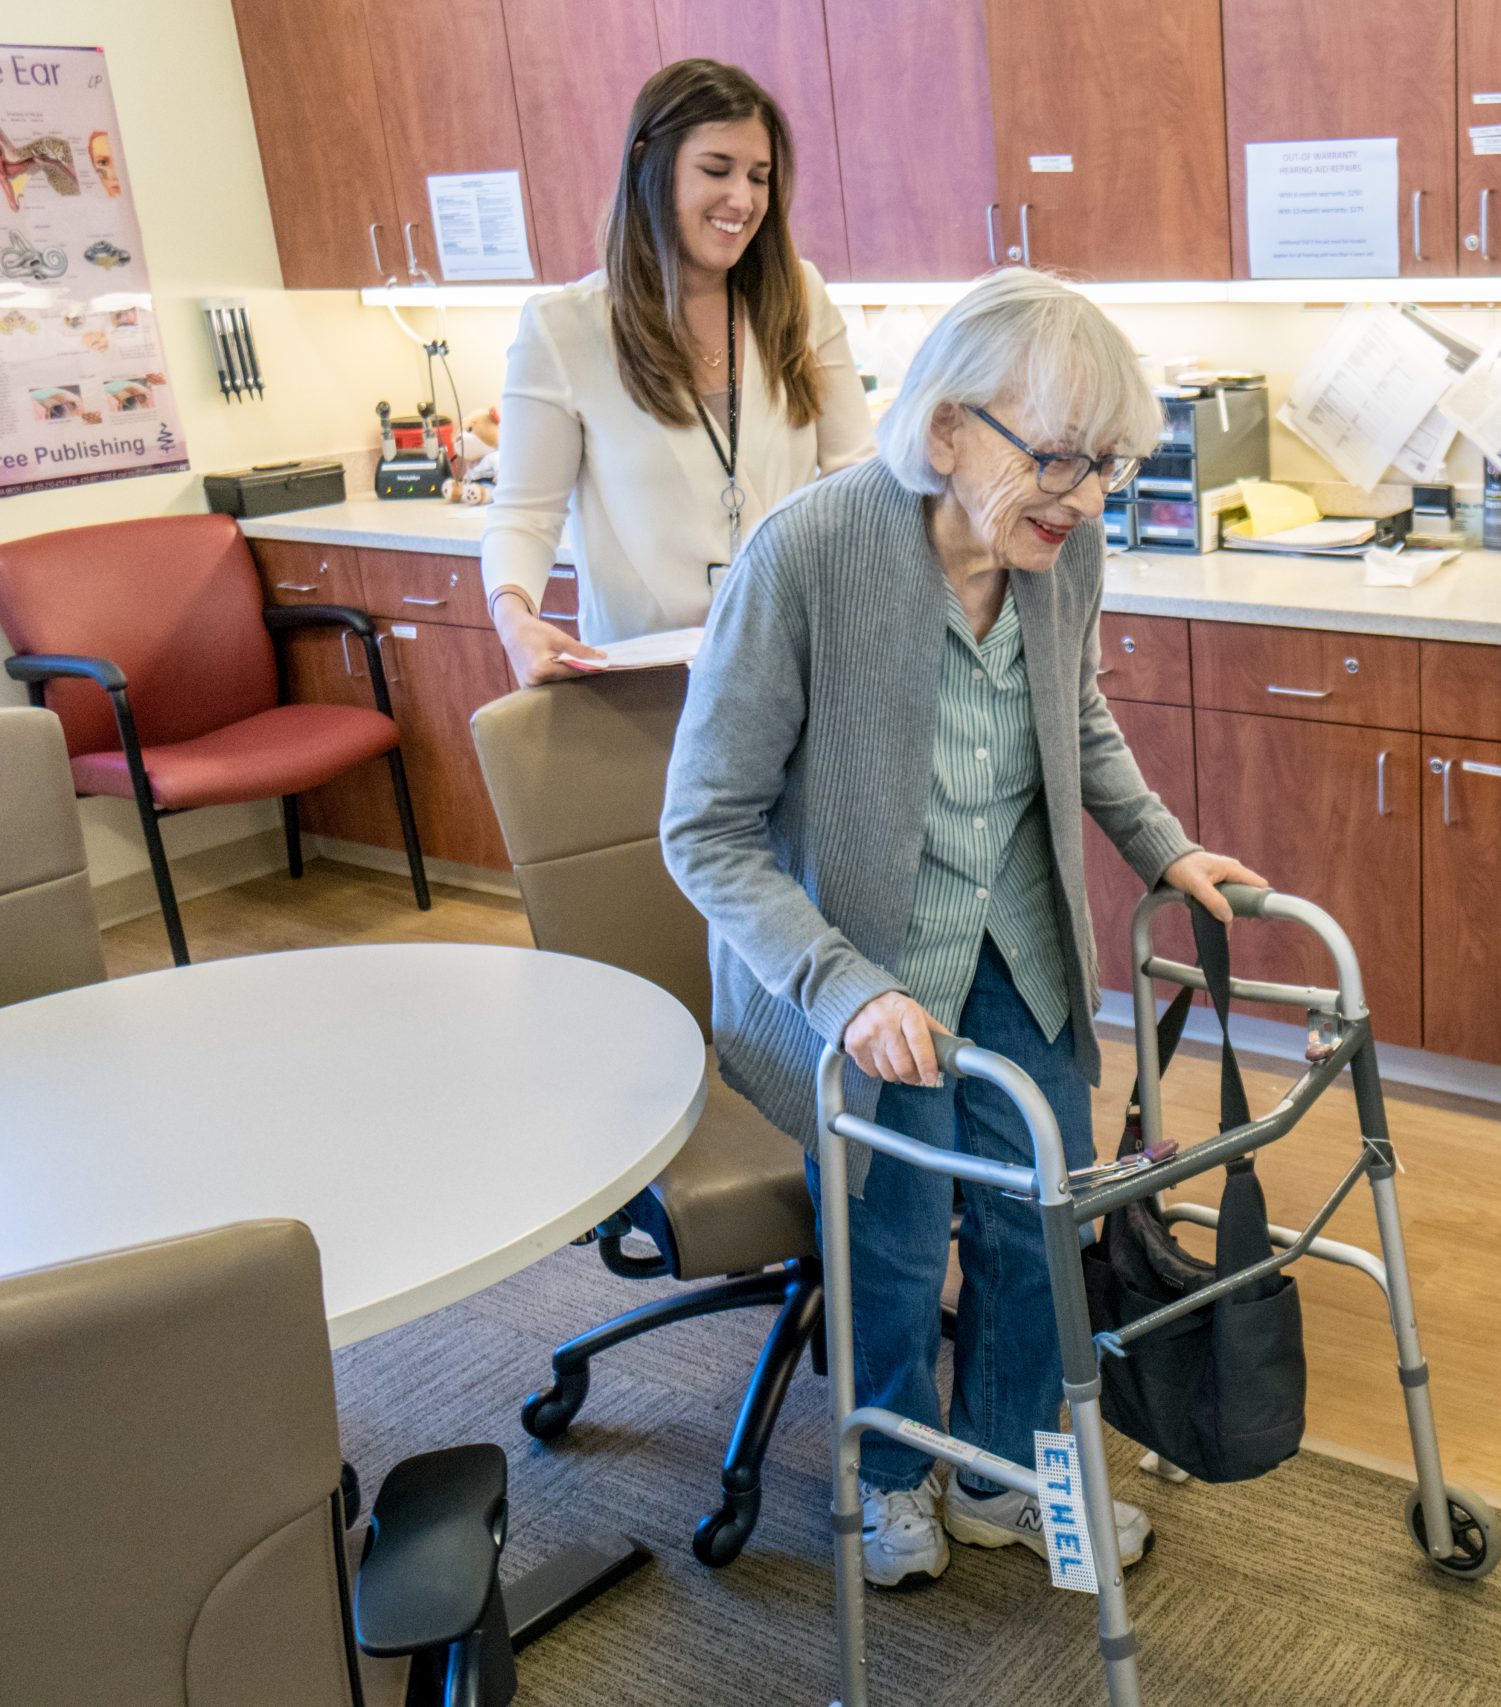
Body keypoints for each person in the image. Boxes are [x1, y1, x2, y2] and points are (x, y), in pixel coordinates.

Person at [661, 269, 1265, 1587]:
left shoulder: (1058, 547)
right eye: (1059, 457)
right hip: (853, 968)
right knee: (892, 1226)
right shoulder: (808, 553)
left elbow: (1075, 719)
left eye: (1107, 463)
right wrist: (834, 983)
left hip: (1017, 941)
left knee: (1033, 1217)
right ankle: (885, 1475)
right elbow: (700, 826)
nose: (1087, 496)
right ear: (947, 431)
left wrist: (1164, 844)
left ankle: (1000, 1463)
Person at [480, 58, 872, 683]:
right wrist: (513, 615)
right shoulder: (566, 328)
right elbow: (525, 515)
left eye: (759, 177)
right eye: (716, 169)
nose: (742, 200)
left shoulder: (799, 296)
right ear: (647, 164)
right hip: (647, 680)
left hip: (795, 663)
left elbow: (857, 477)